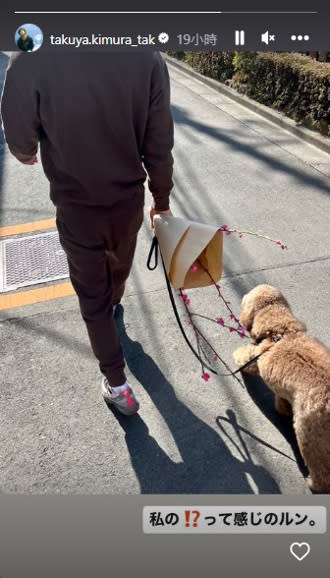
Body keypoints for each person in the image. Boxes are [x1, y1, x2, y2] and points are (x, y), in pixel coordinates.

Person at [1, 51, 174, 415]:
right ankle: (113, 306)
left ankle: (117, 383)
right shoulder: (145, 53)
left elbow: (16, 122)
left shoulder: (34, 50)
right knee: (118, 266)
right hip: (128, 202)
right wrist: (161, 198)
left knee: (91, 295)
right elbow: (159, 139)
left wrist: (24, 150)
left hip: (76, 204)